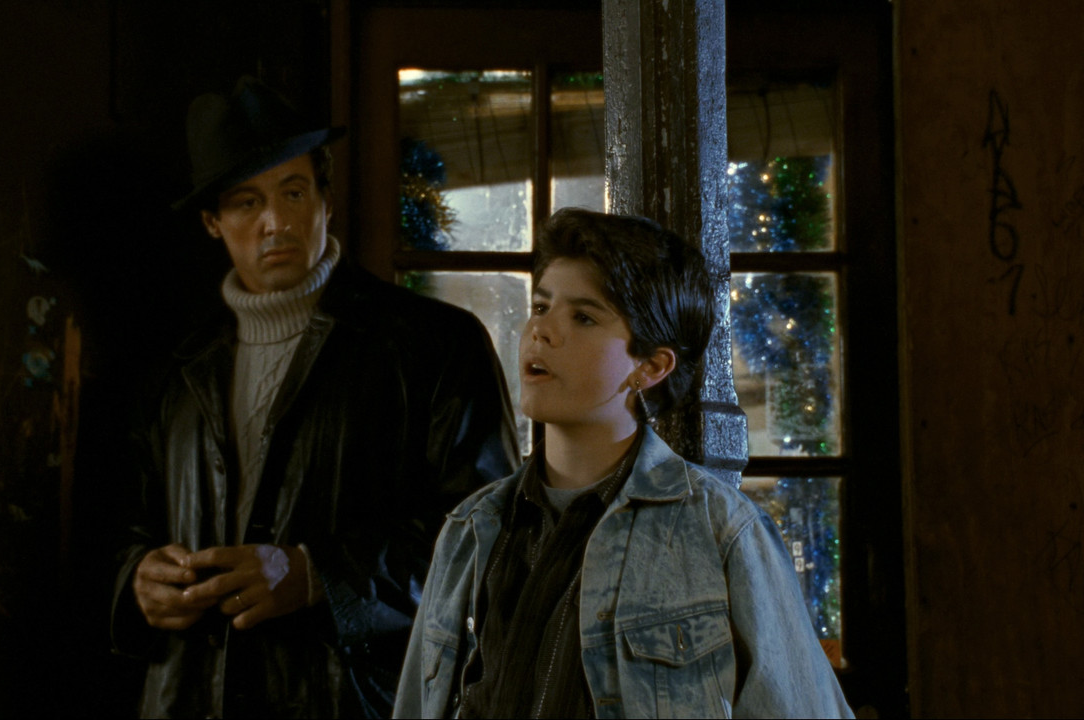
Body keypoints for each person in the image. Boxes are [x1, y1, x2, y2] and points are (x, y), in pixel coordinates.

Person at [109, 76, 519, 719]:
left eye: (294, 192)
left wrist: (316, 576)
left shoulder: (433, 345)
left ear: (326, 197)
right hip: (188, 695)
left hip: (355, 700)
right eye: (246, 203)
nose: (275, 222)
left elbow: (491, 541)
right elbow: (125, 526)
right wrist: (137, 579)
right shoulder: (174, 370)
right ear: (213, 222)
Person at [394, 208, 853, 718]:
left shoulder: (721, 533)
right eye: (541, 306)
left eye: (583, 317)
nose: (541, 330)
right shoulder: (471, 530)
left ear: (651, 366)